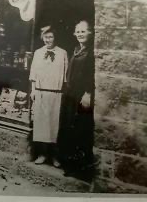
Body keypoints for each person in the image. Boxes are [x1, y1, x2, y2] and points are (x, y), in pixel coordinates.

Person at [58, 20, 95, 181]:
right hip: (70, 95)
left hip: (82, 97)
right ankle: (69, 166)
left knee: (81, 129)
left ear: (90, 33)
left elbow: (92, 74)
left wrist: (88, 93)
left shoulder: (91, 52)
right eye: (77, 31)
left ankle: (80, 169)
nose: (80, 34)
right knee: (69, 127)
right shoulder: (76, 50)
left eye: (83, 31)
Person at [29, 26, 68, 167]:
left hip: (56, 93)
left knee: (54, 125)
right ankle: (42, 154)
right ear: (42, 38)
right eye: (45, 37)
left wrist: (63, 92)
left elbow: (65, 76)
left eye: (50, 37)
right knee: (41, 124)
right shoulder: (38, 53)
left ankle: (54, 156)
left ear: (55, 37)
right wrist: (33, 90)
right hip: (40, 92)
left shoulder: (63, 53)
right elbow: (33, 74)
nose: (48, 40)